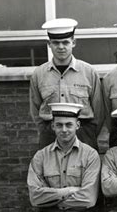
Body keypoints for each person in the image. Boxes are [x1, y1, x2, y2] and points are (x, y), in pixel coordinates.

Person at [29, 18, 104, 150]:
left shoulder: (89, 72)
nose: (61, 47)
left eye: (65, 42)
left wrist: (89, 134)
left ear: (73, 42)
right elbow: (35, 111)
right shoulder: (39, 74)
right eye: (56, 43)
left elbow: (99, 111)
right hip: (50, 134)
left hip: (83, 133)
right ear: (49, 44)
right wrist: (47, 131)